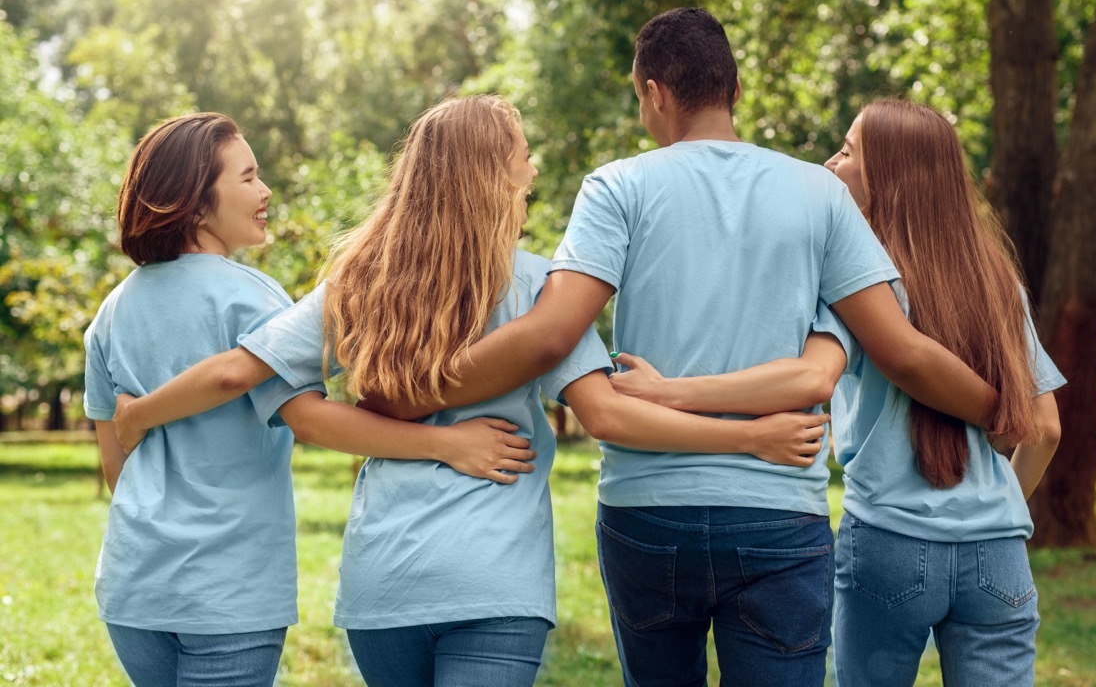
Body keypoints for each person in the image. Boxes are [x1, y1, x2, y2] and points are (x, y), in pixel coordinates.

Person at [358, 9, 1001, 687]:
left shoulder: (618, 186)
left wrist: (411, 395)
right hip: (778, 515)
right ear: (736, 90)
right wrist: (999, 406)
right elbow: (899, 350)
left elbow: (550, 333)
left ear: (654, 93)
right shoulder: (819, 192)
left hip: (648, 512)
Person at [114, 95, 831, 687]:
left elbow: (298, 411)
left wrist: (137, 414)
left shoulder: (362, 278)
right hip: (494, 578)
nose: (533, 166)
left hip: (384, 581)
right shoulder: (540, 285)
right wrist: (748, 434)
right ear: (493, 172)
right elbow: (608, 414)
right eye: (522, 153)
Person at [608, 98, 1064, 687]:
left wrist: (667, 391)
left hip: (890, 540)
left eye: (847, 151)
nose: (830, 161)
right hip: (998, 549)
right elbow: (1045, 427)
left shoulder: (863, 280)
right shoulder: (1000, 284)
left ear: (889, 178)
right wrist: (1000, 512)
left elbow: (805, 377)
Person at [85, 113, 538, 687]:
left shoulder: (111, 311)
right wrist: (443, 443)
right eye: (248, 178)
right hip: (226, 587)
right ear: (196, 204)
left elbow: (114, 467)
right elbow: (306, 418)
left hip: (132, 584)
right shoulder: (252, 300)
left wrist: (140, 424)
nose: (265, 191)